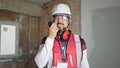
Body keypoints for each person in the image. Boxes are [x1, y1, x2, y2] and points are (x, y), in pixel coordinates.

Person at [35, 3, 89, 68]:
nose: (59, 21)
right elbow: (39, 64)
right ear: (53, 21)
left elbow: (85, 66)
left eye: (63, 17)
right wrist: (50, 38)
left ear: (69, 21)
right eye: (56, 17)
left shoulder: (80, 42)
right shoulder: (46, 40)